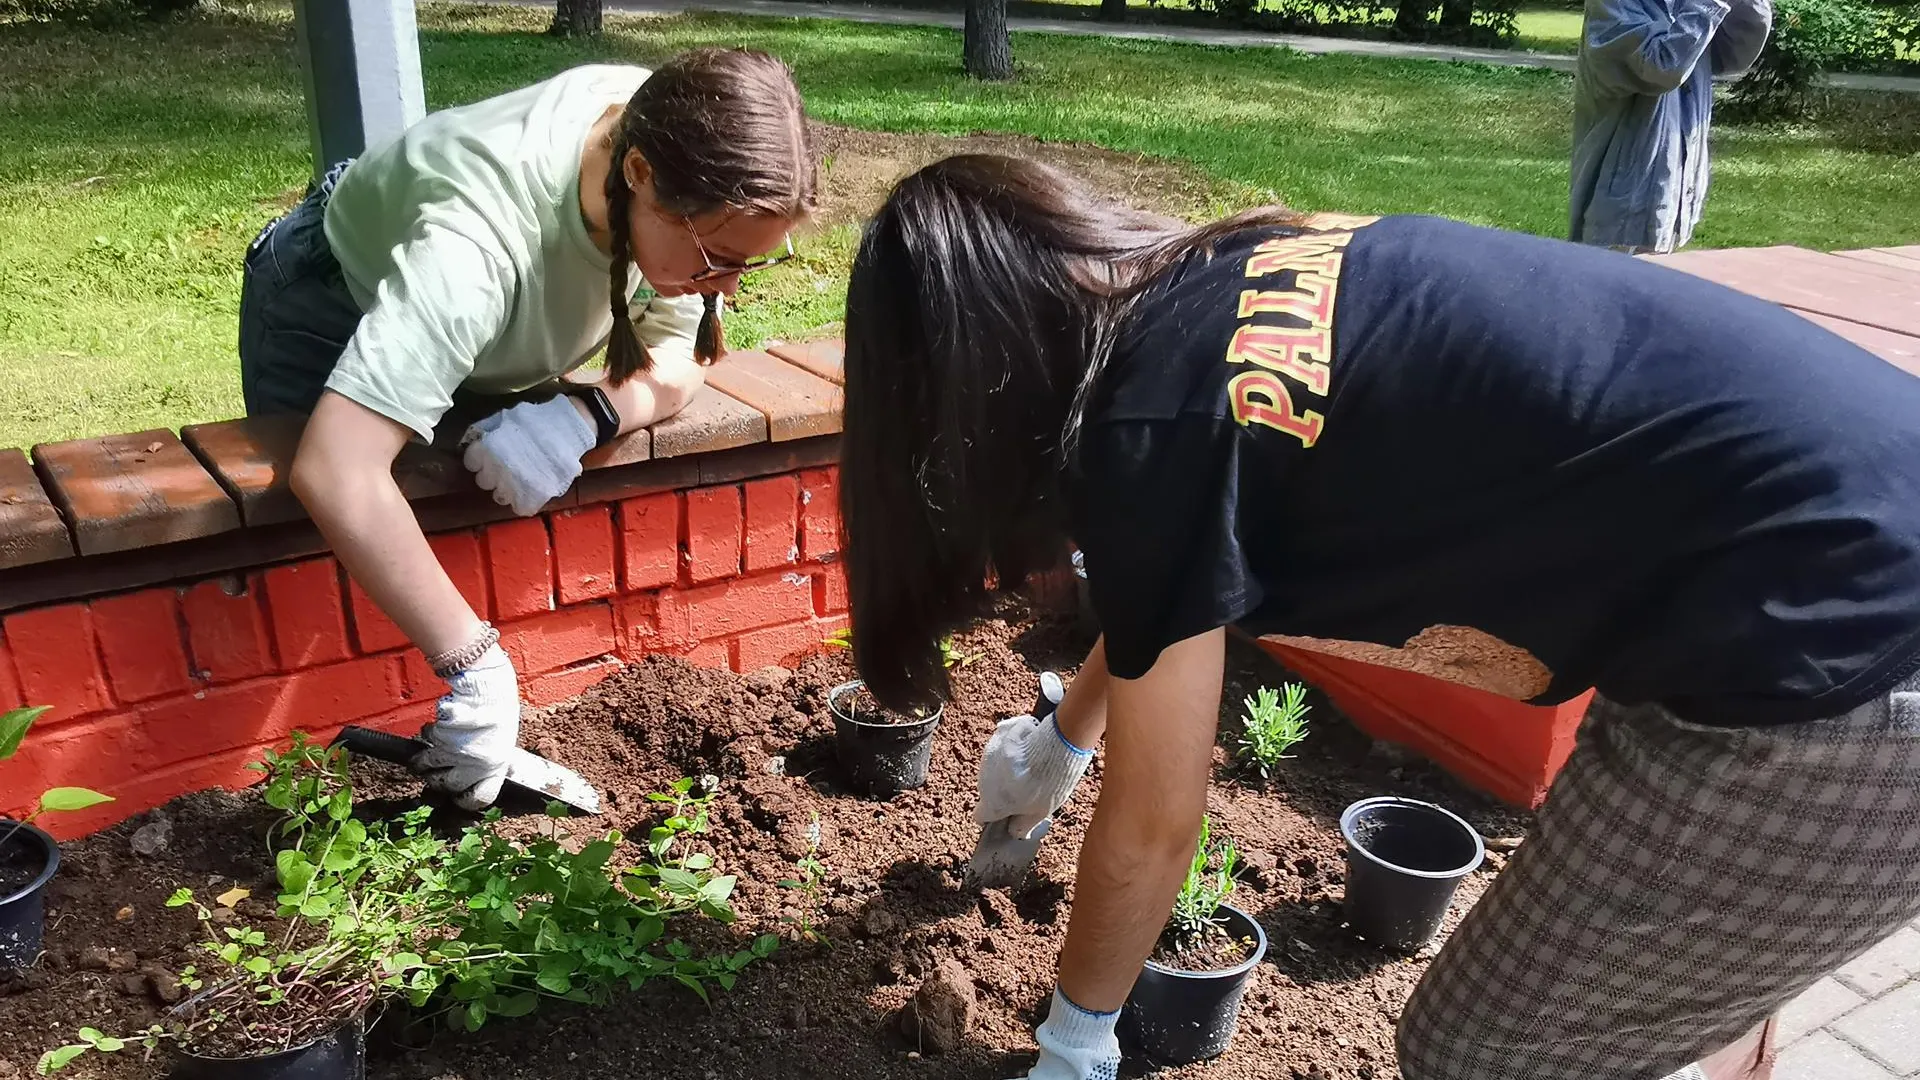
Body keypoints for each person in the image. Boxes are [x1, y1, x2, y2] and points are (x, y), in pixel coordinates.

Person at [835, 154, 1920, 1080]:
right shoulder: (1219, 280)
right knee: (1656, 990)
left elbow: (1156, 830)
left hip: (1848, 654)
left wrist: (1076, 1044)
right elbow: (1167, 592)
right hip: (1816, 549)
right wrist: (1059, 745)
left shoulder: (1148, 427)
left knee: (1481, 1052)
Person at [238, 49, 816, 810]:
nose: (730, 287)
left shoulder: (674, 139)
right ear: (639, 175)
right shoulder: (472, 247)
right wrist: (476, 665)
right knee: (317, 562)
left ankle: (449, 738)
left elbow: (681, 354)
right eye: (718, 260)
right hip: (332, 305)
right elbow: (338, 471)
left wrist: (589, 414)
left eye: (749, 265)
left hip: (482, 319)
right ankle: (331, 759)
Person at [1570, 0, 1772, 253]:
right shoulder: (1613, 5)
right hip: (1619, 215)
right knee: (1606, 289)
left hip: (1674, 195)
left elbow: (1734, 53)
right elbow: (1660, 66)